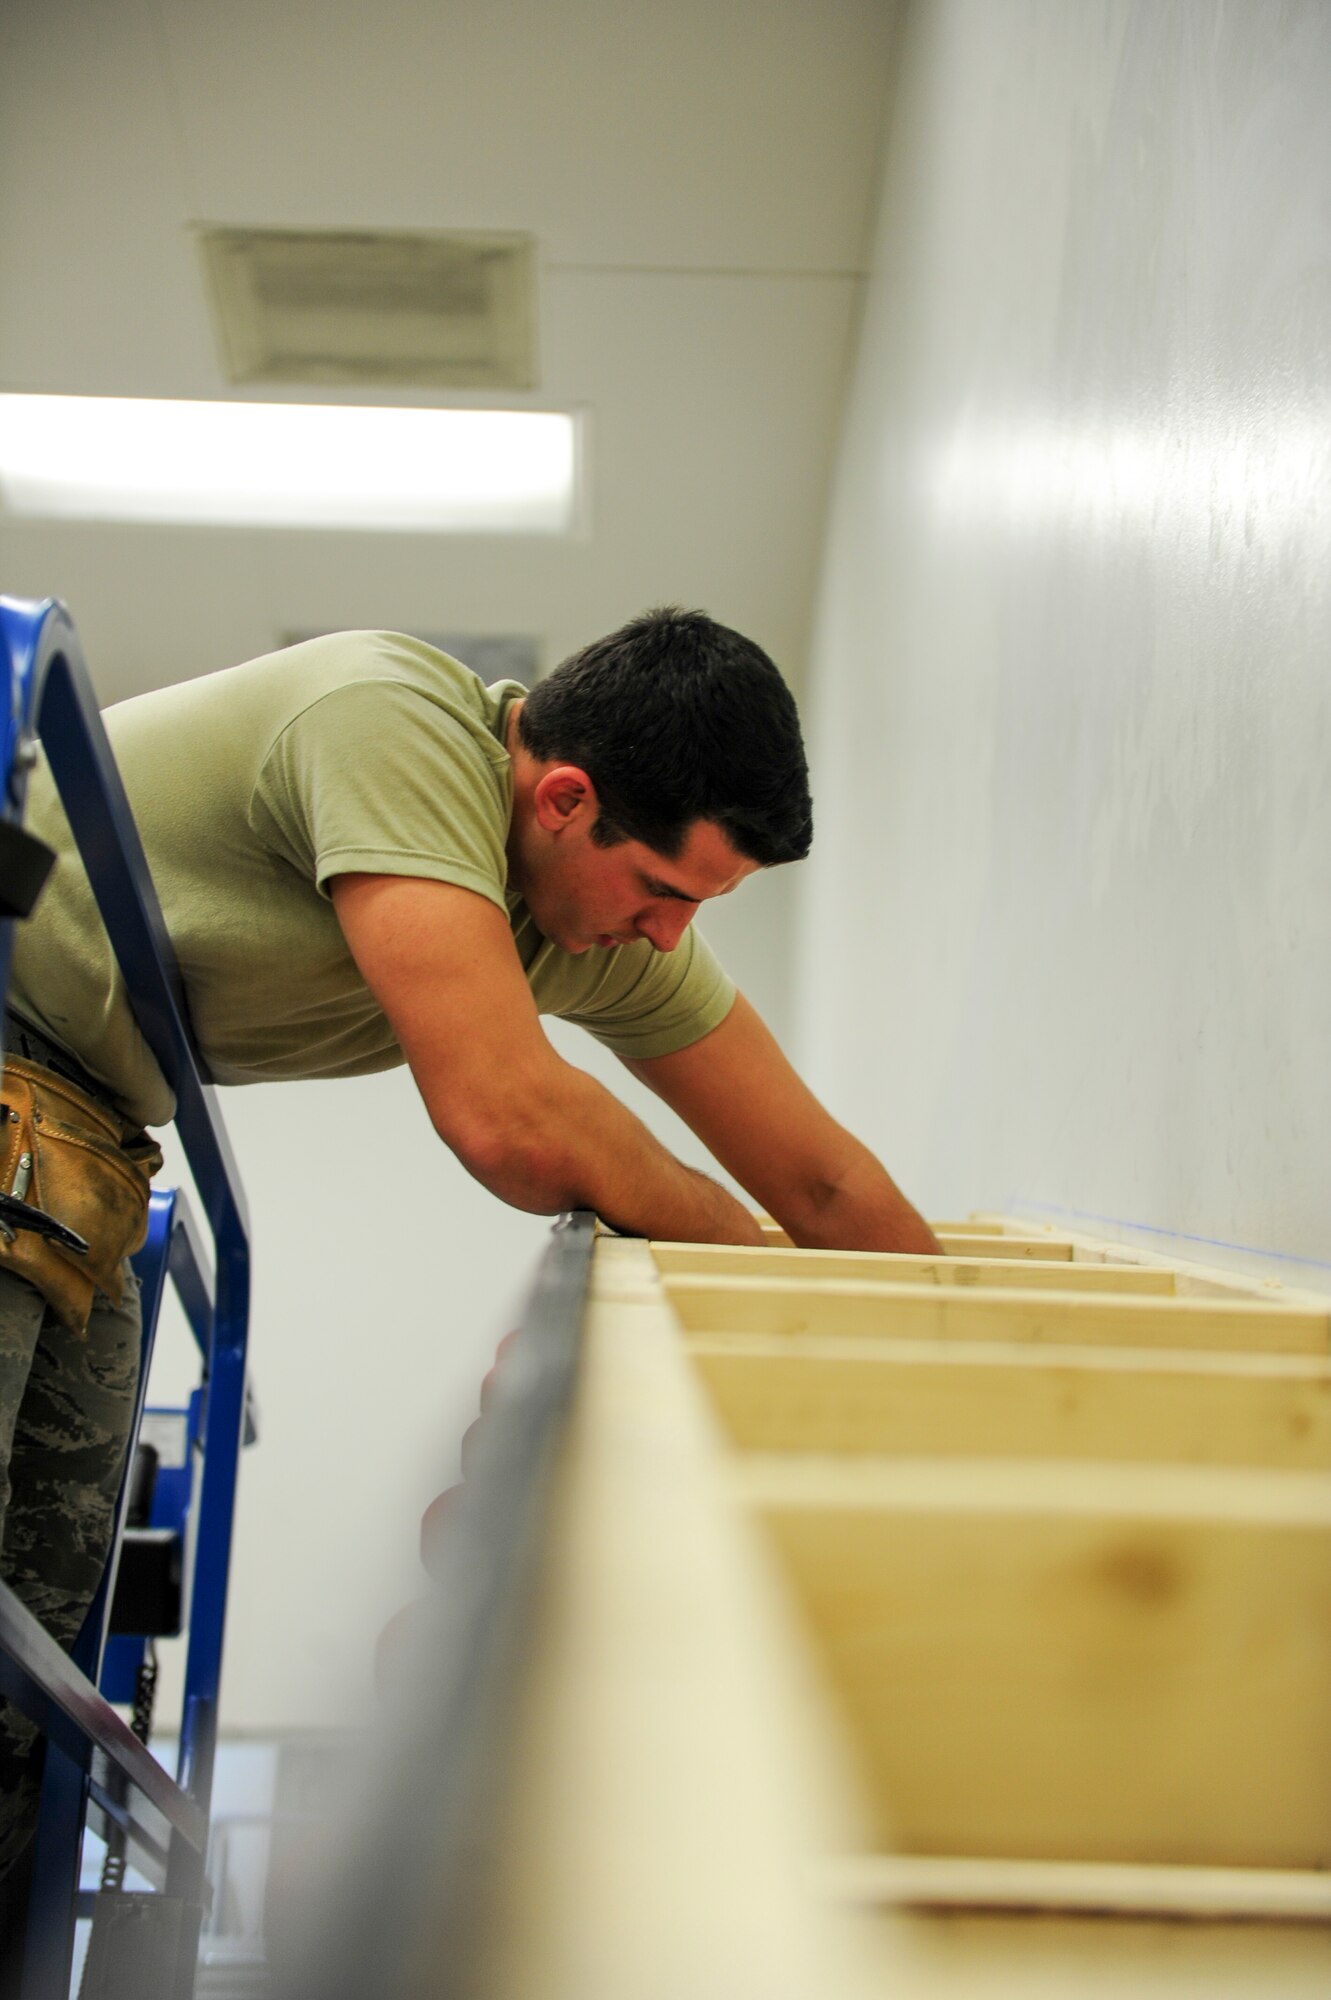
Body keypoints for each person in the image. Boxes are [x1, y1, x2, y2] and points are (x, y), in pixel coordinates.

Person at [0, 606, 937, 1878]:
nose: (670, 935)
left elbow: (822, 1184)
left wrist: (955, 1378)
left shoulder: (586, 924)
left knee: (41, 1639)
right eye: (663, 890)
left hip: (92, 1128)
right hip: (16, 1052)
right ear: (562, 797)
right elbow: (508, 1115)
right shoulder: (388, 719)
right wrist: (737, 1272)